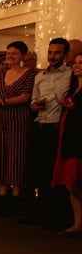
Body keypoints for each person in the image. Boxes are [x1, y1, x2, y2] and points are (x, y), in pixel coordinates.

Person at [22, 38, 72, 229]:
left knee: (54, 174)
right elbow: (32, 101)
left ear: (65, 55)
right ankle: (39, 211)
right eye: (50, 52)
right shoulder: (39, 76)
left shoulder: (70, 74)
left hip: (57, 128)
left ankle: (56, 216)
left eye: (57, 52)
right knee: (37, 172)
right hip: (40, 126)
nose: (52, 56)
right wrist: (35, 105)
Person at [0, 40, 37, 215]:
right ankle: (1, 196)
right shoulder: (1, 75)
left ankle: (15, 198)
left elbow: (25, 97)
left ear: (22, 56)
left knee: (16, 157)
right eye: (8, 53)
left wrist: (2, 102)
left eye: (14, 53)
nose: (10, 56)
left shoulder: (29, 74)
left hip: (19, 120)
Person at [51, 52, 82, 235]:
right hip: (69, 138)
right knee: (70, 184)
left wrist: (76, 107)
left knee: (74, 183)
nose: (77, 65)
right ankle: (78, 223)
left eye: (81, 63)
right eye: (75, 63)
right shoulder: (74, 88)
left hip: (78, 139)